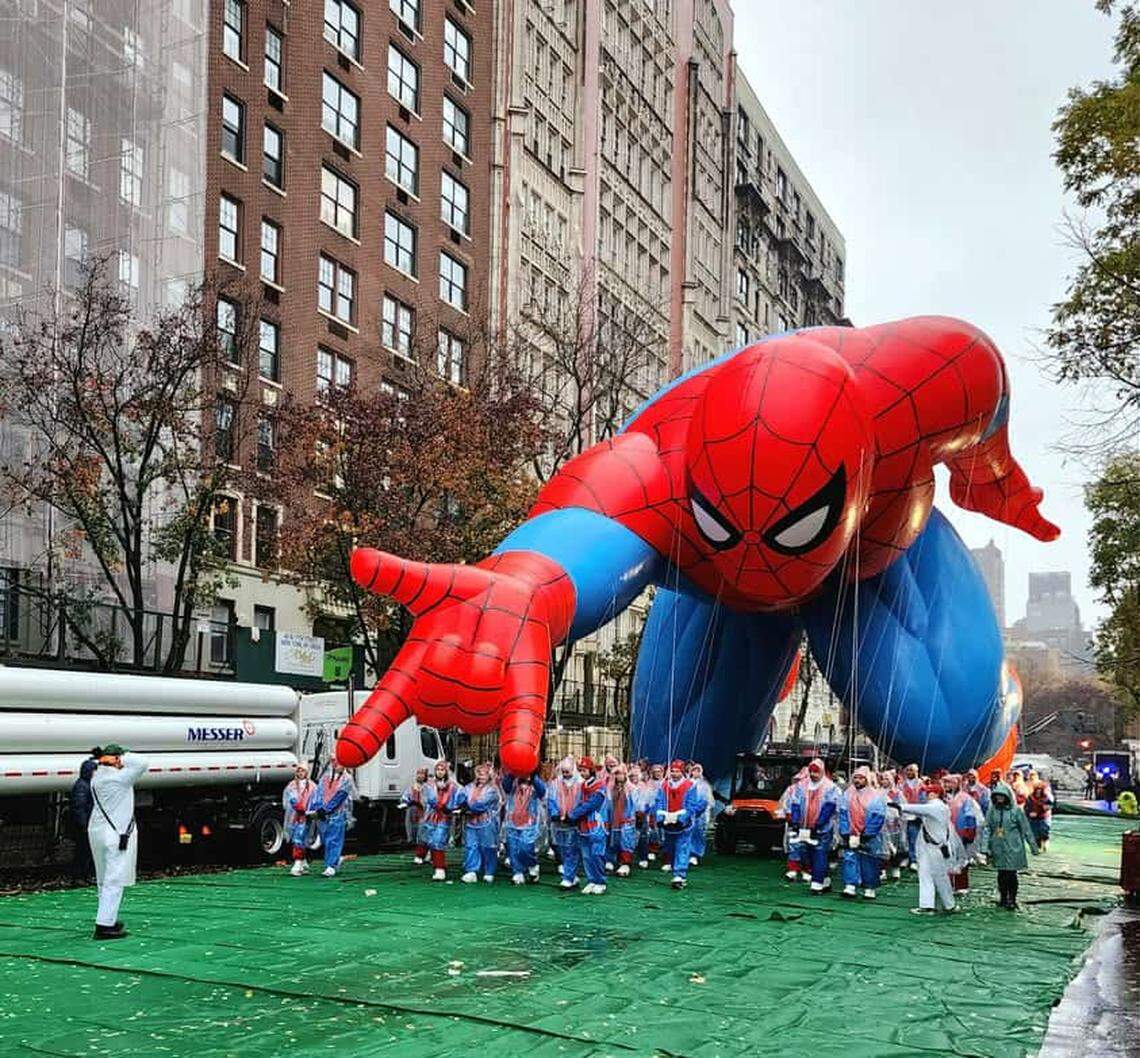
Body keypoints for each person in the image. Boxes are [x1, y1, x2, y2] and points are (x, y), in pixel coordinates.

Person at [88, 744, 148, 940]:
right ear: (115, 759)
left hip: (97, 832)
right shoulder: (120, 778)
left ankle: (107, 917)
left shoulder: (97, 777)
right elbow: (142, 763)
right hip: (115, 835)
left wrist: (108, 758)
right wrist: (123, 757)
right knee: (114, 881)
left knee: (103, 879)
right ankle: (104, 925)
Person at [894, 781, 961, 914]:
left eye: (929, 792)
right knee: (936, 876)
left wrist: (900, 806)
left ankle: (930, 905)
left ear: (936, 793)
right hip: (934, 846)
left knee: (930, 875)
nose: (926, 794)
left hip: (932, 847)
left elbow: (918, 809)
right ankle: (947, 905)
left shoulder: (935, 806)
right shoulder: (941, 807)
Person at [786, 758, 839, 894]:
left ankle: (817, 883)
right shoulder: (802, 785)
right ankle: (825, 879)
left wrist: (819, 823)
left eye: (816, 772)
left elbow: (830, 806)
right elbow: (795, 804)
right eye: (811, 771)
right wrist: (796, 821)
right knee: (808, 853)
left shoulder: (830, 787)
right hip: (804, 827)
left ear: (822, 771)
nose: (813, 775)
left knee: (820, 852)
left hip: (822, 828)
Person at [654, 759, 708, 890]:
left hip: (683, 824)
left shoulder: (690, 785)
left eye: (677, 771)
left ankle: (680, 874)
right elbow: (659, 801)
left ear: (682, 771)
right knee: (670, 848)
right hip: (668, 822)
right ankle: (675, 868)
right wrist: (661, 817)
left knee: (682, 847)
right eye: (672, 771)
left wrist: (682, 818)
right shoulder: (664, 785)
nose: (674, 773)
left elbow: (691, 805)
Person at [984, 781, 1038, 909]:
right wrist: (984, 848)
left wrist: (1033, 846)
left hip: (1014, 847)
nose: (1000, 799)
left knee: (1011, 874)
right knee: (1001, 874)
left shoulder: (1016, 811)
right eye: (997, 796)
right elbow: (987, 828)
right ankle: (1003, 898)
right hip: (998, 847)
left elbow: (1026, 829)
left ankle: (1012, 899)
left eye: (1002, 796)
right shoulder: (992, 811)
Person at [837, 766, 887, 899]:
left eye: (861, 778)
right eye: (855, 778)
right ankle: (850, 885)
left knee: (869, 860)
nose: (857, 780)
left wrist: (868, 834)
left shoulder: (875, 796)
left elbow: (878, 816)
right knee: (849, 857)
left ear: (867, 779)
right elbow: (842, 813)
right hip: (851, 833)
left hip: (868, 836)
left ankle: (869, 888)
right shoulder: (847, 794)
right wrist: (845, 832)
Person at [561, 757, 608, 894]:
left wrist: (573, 815)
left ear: (591, 770)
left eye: (584, 770)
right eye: (580, 770)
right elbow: (581, 803)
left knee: (597, 855)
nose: (582, 773)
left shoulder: (599, 787)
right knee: (587, 856)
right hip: (584, 827)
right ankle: (592, 880)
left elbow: (591, 804)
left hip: (597, 827)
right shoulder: (583, 786)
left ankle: (600, 881)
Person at [307, 762, 352, 877]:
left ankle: (330, 865)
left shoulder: (346, 779)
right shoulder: (325, 777)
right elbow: (318, 793)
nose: (335, 764)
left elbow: (339, 797)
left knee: (334, 839)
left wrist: (325, 810)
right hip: (323, 813)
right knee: (326, 838)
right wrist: (315, 808)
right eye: (333, 761)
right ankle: (334, 862)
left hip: (337, 813)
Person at [460, 762, 501, 883]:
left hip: (487, 822)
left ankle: (489, 871)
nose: (480, 776)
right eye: (478, 774)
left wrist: (467, 807)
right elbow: (460, 796)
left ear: (489, 775)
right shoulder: (469, 787)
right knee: (471, 846)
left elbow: (482, 804)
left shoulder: (492, 790)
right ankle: (471, 871)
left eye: (483, 774)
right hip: (471, 822)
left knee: (488, 847)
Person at [502, 769, 546, 884]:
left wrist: (532, 775)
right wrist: (512, 770)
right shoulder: (513, 785)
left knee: (525, 848)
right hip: (512, 823)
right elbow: (505, 785)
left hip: (529, 824)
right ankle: (517, 872)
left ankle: (532, 864)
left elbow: (542, 790)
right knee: (513, 849)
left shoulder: (535, 787)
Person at [422, 759, 461, 880]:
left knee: (439, 841)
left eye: (442, 769)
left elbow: (457, 798)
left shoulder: (453, 786)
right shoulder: (429, 785)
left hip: (444, 817)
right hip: (431, 817)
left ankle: (440, 869)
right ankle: (437, 866)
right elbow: (428, 800)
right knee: (432, 841)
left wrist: (452, 808)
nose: (440, 772)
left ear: (446, 771)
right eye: (438, 769)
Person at [945, 774, 981, 893]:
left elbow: (971, 815)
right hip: (945, 834)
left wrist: (970, 832)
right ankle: (948, 885)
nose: (947, 785)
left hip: (961, 833)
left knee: (962, 858)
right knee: (946, 858)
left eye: (950, 783)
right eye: (946, 783)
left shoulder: (965, 798)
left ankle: (961, 885)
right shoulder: (942, 797)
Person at [546, 757, 581, 871]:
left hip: (573, 819)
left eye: (568, 772)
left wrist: (574, 815)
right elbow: (551, 799)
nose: (565, 774)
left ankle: (570, 865)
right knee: (558, 842)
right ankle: (561, 861)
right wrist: (555, 813)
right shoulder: (555, 783)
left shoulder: (580, 783)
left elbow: (581, 801)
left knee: (572, 843)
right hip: (558, 819)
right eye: (563, 772)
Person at [603, 763, 638, 876]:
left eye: (622, 773)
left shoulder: (631, 789)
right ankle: (609, 860)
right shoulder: (608, 789)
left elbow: (637, 805)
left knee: (626, 841)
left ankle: (625, 863)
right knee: (611, 840)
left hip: (626, 820)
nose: (620, 776)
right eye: (617, 773)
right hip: (612, 819)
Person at [70, 751, 99, 882]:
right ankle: (80, 876)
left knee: (85, 852)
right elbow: (79, 806)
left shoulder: (83, 784)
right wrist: (85, 824)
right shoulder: (84, 786)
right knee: (83, 851)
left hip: (85, 823)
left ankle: (83, 875)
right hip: (85, 824)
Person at [282, 764, 316, 876]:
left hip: (307, 816)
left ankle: (300, 862)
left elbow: (316, 799)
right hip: (295, 817)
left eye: (303, 771)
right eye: (299, 771)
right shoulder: (291, 786)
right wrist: (298, 807)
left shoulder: (312, 786)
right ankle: (300, 862)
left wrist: (310, 810)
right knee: (297, 838)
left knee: (303, 838)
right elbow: (290, 799)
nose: (301, 773)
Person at [779, 768, 809, 881]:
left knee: (807, 846)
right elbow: (784, 804)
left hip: (808, 824)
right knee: (793, 845)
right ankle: (793, 869)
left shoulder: (815, 791)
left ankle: (806, 870)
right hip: (793, 822)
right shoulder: (791, 790)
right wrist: (788, 816)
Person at [398, 767, 430, 864]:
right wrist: (405, 802)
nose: (420, 776)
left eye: (422, 774)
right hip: (412, 811)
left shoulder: (428, 788)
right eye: (418, 773)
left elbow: (429, 800)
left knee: (423, 833)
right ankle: (421, 852)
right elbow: (405, 797)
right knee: (413, 832)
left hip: (423, 813)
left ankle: (422, 854)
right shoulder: (411, 787)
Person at [898, 763, 925, 869]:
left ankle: (914, 859)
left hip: (916, 815)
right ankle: (905, 857)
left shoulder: (921, 785)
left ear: (916, 772)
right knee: (903, 838)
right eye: (908, 770)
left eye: (912, 770)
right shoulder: (901, 785)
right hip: (904, 815)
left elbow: (923, 800)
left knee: (914, 837)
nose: (909, 772)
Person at [687, 763, 713, 866]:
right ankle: (686, 854)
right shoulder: (687, 783)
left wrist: (700, 811)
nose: (696, 772)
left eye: (698, 770)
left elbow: (708, 801)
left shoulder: (704, 785)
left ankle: (695, 854)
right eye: (694, 770)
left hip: (700, 815)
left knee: (698, 834)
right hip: (688, 812)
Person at [628, 763, 652, 868]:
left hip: (642, 815)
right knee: (629, 837)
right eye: (631, 776)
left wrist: (644, 812)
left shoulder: (644, 786)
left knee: (643, 836)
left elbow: (649, 802)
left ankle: (643, 857)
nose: (634, 778)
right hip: (629, 815)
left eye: (635, 776)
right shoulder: (627, 786)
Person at [1025, 780, 1054, 852]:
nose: (1038, 792)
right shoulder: (1030, 797)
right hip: (1033, 818)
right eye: (1037, 790)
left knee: (1044, 831)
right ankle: (1038, 846)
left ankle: (1045, 844)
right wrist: (1029, 813)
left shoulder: (1047, 797)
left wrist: (1044, 808)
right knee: (1035, 834)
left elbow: (1051, 805)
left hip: (1044, 817)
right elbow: (1026, 807)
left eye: (1040, 790)